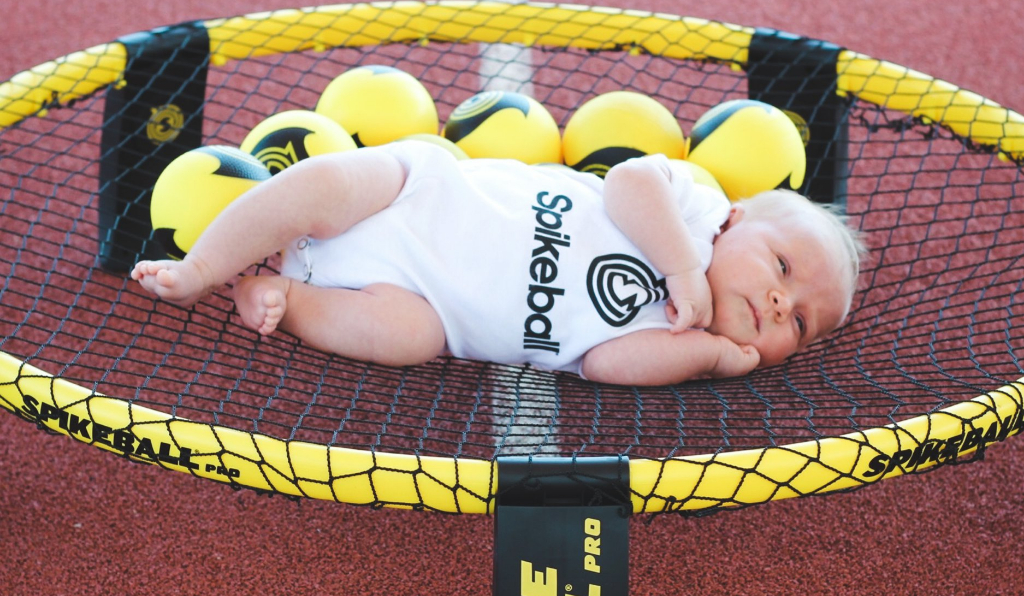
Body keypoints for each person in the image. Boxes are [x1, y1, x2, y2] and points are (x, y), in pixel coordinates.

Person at [132, 140, 865, 386]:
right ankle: (201, 267)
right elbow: (628, 184)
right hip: (415, 195)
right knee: (327, 184)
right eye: (781, 267)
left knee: (406, 341)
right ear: (738, 219)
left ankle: (287, 300)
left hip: (429, 302)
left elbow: (605, 366)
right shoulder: (699, 210)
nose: (777, 304)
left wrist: (705, 356)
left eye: (798, 324)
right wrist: (678, 266)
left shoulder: (684, 339)